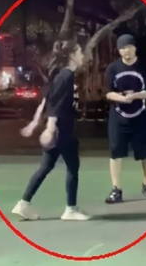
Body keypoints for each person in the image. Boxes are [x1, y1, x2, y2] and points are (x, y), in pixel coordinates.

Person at [12, 39, 90, 221]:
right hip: (62, 130)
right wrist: (50, 128)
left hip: (59, 129)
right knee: (73, 167)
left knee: (45, 167)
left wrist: (34, 123)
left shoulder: (60, 75)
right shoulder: (66, 76)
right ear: (72, 55)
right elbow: (56, 104)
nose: (82, 55)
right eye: (79, 52)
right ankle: (70, 209)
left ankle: (23, 204)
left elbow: (46, 101)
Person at [104, 34, 146, 204]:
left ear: (134, 48)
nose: (125, 51)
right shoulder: (113, 68)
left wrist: (134, 96)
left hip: (141, 115)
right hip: (118, 116)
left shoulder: (145, 67)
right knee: (115, 151)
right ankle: (116, 189)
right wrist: (122, 99)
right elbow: (108, 92)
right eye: (122, 48)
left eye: (128, 47)